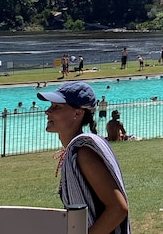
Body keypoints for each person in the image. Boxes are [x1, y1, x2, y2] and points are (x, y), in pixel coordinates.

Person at [38, 82, 130, 234]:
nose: (48, 111)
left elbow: (118, 208)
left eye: (57, 107)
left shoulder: (83, 153)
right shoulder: (80, 149)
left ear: (78, 113)